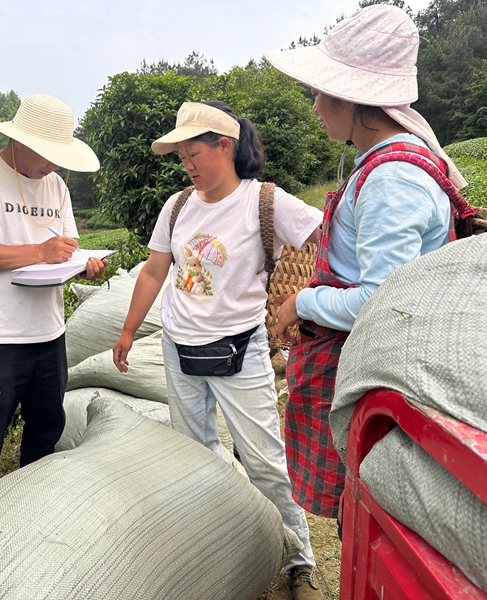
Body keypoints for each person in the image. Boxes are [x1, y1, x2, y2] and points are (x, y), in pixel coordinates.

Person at [263, 5, 470, 526]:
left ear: (351, 99)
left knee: (365, 511)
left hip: (379, 368)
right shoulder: (384, 166)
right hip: (377, 361)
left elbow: (382, 302)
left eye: (318, 93)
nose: (314, 107)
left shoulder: (391, 181)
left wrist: (301, 302)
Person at [112, 101, 324, 600]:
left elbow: (331, 237)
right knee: (196, 452)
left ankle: (299, 562)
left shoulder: (265, 202)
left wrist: (315, 298)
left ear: (224, 147)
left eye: (194, 153)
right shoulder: (178, 206)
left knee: (264, 460)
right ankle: (219, 543)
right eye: (181, 156)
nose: (187, 164)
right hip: (177, 345)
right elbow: (153, 271)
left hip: (240, 348)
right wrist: (127, 332)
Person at [0, 94, 107, 498]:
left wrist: (82, 263)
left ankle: (28, 507)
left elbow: (65, 247)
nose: (53, 164)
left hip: (49, 332)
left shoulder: (56, 185)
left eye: (59, 156)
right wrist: (38, 252)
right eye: (47, 154)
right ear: (18, 141)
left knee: (46, 430)